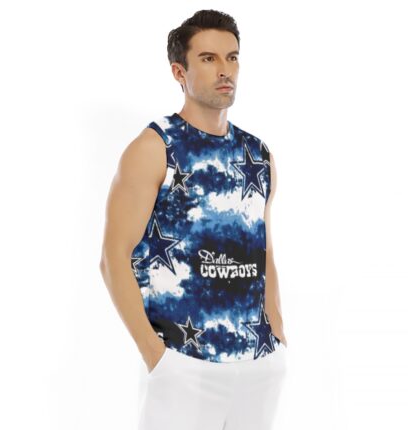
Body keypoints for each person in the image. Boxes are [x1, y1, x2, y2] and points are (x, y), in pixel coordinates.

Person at [99, 9, 288, 430]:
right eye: (208, 58)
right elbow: (113, 258)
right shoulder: (155, 147)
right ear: (178, 71)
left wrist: (277, 332)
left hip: (259, 364)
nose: (225, 70)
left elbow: (265, 250)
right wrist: (156, 355)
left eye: (232, 57)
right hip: (184, 364)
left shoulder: (258, 155)